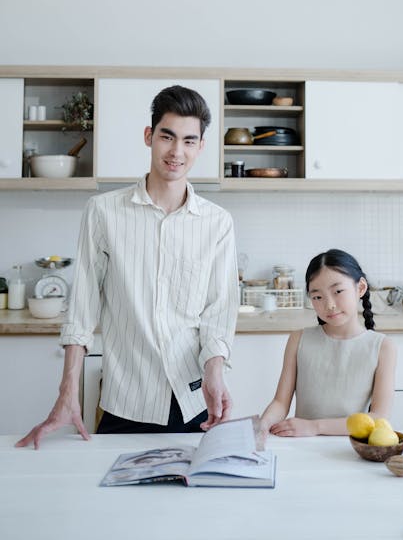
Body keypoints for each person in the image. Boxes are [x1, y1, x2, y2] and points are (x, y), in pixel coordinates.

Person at [17, 85, 239, 448]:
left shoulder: (218, 223)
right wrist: (67, 391)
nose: (176, 151)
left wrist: (215, 369)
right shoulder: (103, 212)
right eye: (167, 137)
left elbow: (219, 312)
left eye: (188, 140)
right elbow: (83, 309)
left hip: (195, 403)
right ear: (149, 136)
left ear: (200, 146)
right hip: (125, 405)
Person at [260, 248, 396, 437]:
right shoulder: (298, 340)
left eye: (338, 291)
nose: (329, 304)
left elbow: (378, 418)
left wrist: (314, 427)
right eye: (317, 297)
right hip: (302, 446)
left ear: (361, 288)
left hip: (352, 449)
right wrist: (263, 423)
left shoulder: (382, 347)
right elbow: (280, 403)